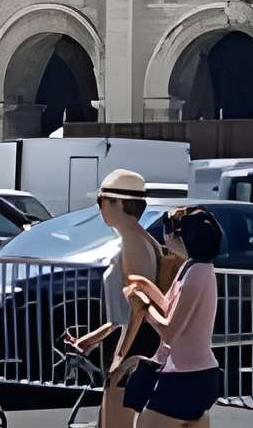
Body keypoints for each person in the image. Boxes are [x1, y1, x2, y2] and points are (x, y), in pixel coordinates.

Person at [61, 170, 163, 428]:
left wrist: (121, 356)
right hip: (138, 345)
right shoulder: (139, 238)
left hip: (136, 348)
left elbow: (138, 307)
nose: (99, 208)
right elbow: (124, 312)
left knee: (114, 422)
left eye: (101, 200)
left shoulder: (132, 242)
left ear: (119, 203)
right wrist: (91, 340)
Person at [123, 206, 226, 428]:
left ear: (184, 238)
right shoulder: (191, 267)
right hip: (194, 374)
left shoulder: (196, 275)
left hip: (187, 377)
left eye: (172, 231)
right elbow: (169, 306)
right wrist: (145, 287)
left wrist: (143, 307)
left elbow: (170, 332)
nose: (167, 236)